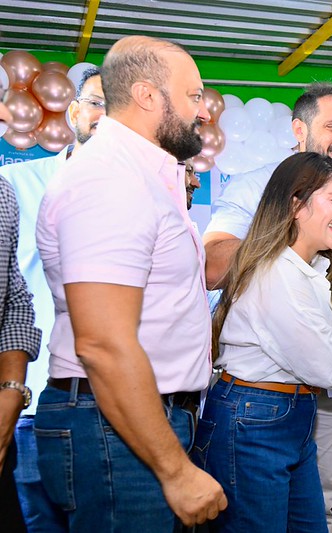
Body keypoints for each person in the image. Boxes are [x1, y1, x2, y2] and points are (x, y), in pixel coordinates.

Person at [34, 36, 227, 530]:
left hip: (130, 422)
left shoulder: (144, 175)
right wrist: (175, 471)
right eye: (193, 95)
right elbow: (102, 344)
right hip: (115, 427)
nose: (204, 110)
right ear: (146, 95)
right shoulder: (110, 179)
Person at [202, 83, 332, 531]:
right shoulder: (274, 260)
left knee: (318, 512)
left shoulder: (313, 262)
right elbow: (213, 265)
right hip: (263, 408)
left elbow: (321, 329)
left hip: (305, 402)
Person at [0, 66, 105, 532]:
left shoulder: (145, 196)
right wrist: (11, 390)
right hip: (31, 400)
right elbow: (13, 297)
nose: (106, 116)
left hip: (112, 408)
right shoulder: (15, 184)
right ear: (74, 111)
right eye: (97, 103)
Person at [0, 89, 43, 533]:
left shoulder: (3, 194)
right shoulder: (21, 181)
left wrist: (13, 390)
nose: (3, 112)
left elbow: (15, 299)